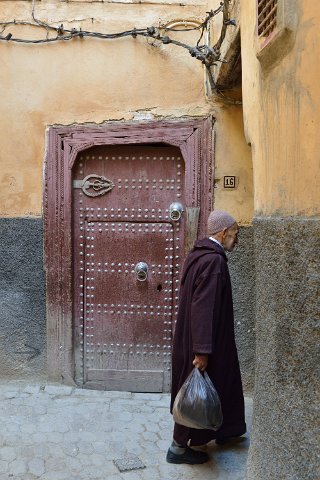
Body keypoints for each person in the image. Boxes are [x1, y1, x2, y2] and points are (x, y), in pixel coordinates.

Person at [166, 210, 246, 464]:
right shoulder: (213, 262)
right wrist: (202, 351)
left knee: (222, 384)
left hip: (201, 339)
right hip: (204, 342)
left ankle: (226, 430)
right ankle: (178, 448)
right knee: (195, 395)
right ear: (222, 233)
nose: (236, 240)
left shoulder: (198, 256)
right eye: (234, 235)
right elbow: (204, 307)